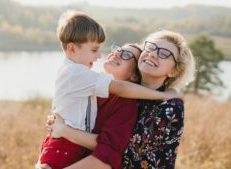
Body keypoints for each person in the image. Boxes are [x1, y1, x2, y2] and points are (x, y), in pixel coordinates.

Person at [36, 10, 180, 169]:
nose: (117, 53)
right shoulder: (88, 84)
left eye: (126, 55)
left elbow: (107, 156)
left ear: (133, 75)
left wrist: (64, 130)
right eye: (118, 49)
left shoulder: (124, 104)